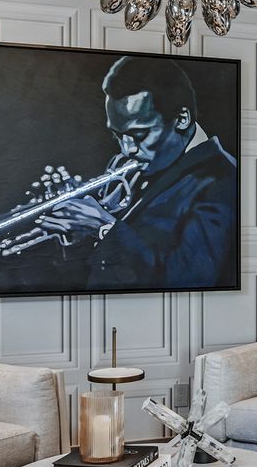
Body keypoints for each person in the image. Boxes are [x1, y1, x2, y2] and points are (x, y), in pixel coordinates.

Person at [36, 55, 238, 290]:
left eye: (140, 134)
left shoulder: (222, 179)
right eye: (118, 135)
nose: (127, 149)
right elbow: (99, 268)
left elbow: (189, 276)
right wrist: (74, 231)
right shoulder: (124, 164)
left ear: (181, 119)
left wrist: (104, 226)